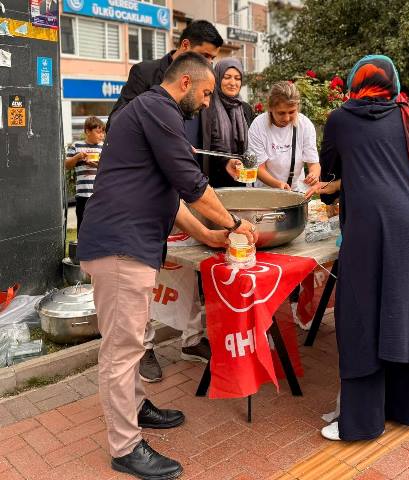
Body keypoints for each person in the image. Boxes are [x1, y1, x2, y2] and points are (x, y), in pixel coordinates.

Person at [77, 52, 258, 479]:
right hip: (121, 247)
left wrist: (207, 236)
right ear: (185, 84)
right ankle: (125, 447)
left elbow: (169, 197)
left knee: (135, 338)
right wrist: (233, 223)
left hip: (128, 244)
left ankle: (137, 407)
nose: (209, 103)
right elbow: (192, 185)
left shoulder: (149, 113)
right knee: (122, 351)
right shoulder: (159, 110)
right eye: (207, 93)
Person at [319, 55, 409, 442]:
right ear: (392, 82)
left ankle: (361, 421)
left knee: (361, 318)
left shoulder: (341, 119)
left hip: (374, 226)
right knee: (402, 313)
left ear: (353, 82)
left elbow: (330, 174)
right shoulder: (407, 115)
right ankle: (400, 408)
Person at [107, 20, 236, 379]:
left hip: (180, 190)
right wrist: (166, 141)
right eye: (205, 57)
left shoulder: (201, 89)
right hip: (146, 203)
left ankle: (192, 339)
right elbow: (119, 123)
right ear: (184, 48)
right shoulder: (149, 81)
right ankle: (143, 351)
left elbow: (204, 145)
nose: (210, 66)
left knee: (186, 272)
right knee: (137, 293)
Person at [248, 81, 320, 193]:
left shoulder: (305, 125)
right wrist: (278, 185)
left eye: (292, 112)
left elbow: (314, 163)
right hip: (263, 192)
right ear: (270, 108)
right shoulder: (258, 125)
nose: (287, 118)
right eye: (281, 113)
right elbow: (258, 168)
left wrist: (314, 175)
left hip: (295, 190)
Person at [202, 57, 256, 187]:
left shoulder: (245, 109)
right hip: (213, 179)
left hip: (241, 179)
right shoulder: (207, 107)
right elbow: (210, 141)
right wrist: (226, 160)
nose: (233, 83)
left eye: (237, 78)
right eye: (227, 77)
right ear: (217, 78)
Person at [65, 116, 105, 233]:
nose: (101, 135)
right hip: (83, 194)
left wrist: (96, 165)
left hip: (99, 194)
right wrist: (77, 157)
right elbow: (67, 165)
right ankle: (82, 248)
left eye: (102, 132)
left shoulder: (103, 147)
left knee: (99, 225)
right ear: (87, 131)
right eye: (98, 132)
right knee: (82, 224)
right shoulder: (76, 146)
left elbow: (108, 167)